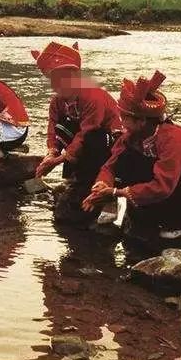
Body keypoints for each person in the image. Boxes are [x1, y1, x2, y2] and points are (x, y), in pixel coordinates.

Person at [82, 71, 181, 246]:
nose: (121, 121)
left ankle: (180, 222)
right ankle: (143, 215)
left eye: (125, 118)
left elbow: (164, 186)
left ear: (141, 121)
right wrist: (102, 185)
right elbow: (110, 167)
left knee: (179, 181)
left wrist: (118, 192)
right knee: (126, 158)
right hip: (166, 182)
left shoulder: (172, 139)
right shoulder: (131, 136)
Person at [30, 41, 124, 227]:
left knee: (93, 136)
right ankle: (78, 180)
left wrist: (57, 161)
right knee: (63, 127)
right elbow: (52, 127)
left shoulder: (92, 96)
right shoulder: (57, 101)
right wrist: (51, 152)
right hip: (83, 146)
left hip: (108, 144)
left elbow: (87, 131)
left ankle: (109, 198)